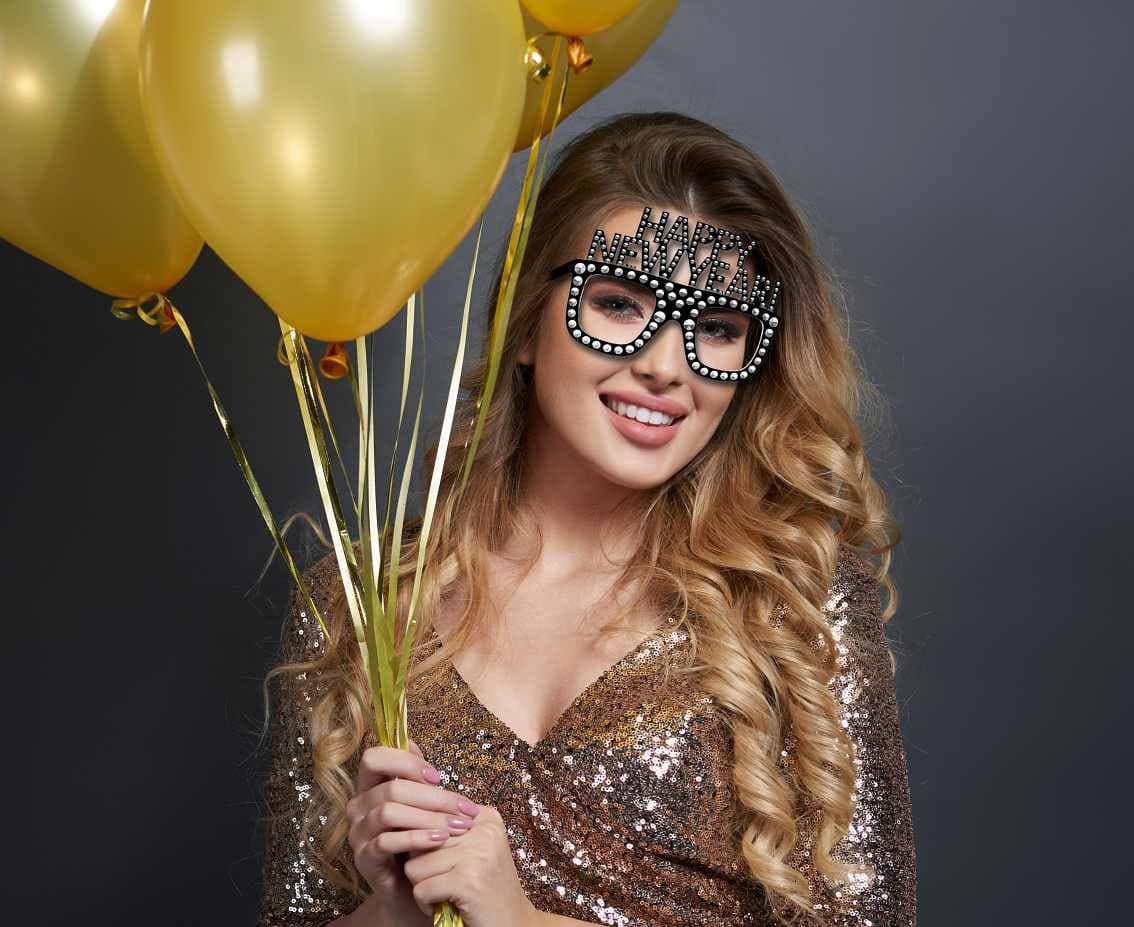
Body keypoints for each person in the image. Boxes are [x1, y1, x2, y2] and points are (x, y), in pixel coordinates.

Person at [255, 111, 917, 927]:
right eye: (619, 304)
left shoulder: (796, 603)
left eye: (717, 327)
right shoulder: (359, 604)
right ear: (525, 319)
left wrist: (524, 922)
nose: (666, 365)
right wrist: (391, 911)